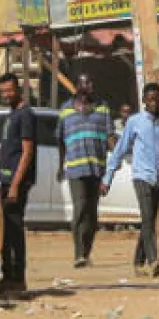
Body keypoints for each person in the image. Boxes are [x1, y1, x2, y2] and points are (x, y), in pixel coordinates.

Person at [103, 82, 159, 277]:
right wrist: (108, 176)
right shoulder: (135, 121)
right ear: (143, 101)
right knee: (148, 217)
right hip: (141, 175)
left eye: (156, 99)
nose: (153, 102)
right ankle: (153, 259)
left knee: (148, 220)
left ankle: (138, 262)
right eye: (149, 99)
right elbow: (121, 149)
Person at [57, 73, 112, 269]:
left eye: (90, 82)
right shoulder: (65, 110)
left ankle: (86, 251)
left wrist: (114, 161)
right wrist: (60, 165)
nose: (88, 85)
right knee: (80, 208)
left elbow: (110, 137)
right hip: (75, 168)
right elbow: (60, 140)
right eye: (84, 82)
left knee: (92, 213)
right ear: (77, 86)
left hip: (97, 168)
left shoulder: (103, 108)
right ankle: (78, 253)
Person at [0, 73, 35, 296]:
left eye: (9, 91)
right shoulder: (12, 114)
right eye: (3, 92)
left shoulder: (25, 115)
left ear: (18, 89)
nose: (6, 95)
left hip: (15, 183)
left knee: (15, 232)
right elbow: (13, 148)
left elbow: (27, 152)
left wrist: (14, 185)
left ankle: (17, 278)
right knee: (6, 232)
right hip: (6, 178)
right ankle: (8, 275)